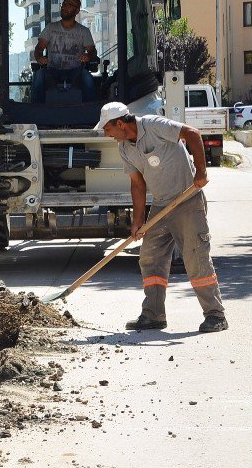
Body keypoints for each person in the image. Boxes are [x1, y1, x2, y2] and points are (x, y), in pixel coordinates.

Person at [95, 101, 228, 333]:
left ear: (119, 123)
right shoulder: (125, 148)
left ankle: (215, 315)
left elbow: (193, 134)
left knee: (195, 257)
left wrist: (201, 171)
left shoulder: (154, 125)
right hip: (160, 206)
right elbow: (137, 185)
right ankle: (154, 315)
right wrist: (138, 222)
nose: (107, 135)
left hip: (187, 201)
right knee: (149, 257)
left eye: (107, 129)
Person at [31, 0, 98, 102]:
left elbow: (92, 51)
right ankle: (36, 112)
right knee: (38, 76)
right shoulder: (51, 28)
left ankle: (91, 113)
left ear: (77, 11)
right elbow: (38, 49)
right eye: (64, 4)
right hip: (52, 70)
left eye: (69, 5)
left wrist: (88, 56)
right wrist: (39, 57)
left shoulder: (83, 31)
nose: (64, 7)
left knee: (88, 78)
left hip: (76, 71)